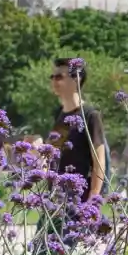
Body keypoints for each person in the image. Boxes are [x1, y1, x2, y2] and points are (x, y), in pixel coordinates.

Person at [49, 57, 108, 209]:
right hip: (55, 199)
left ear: (76, 79)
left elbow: (99, 161)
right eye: (52, 77)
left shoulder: (90, 115)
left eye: (59, 77)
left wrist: (93, 199)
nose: (54, 81)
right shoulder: (58, 114)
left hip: (79, 200)